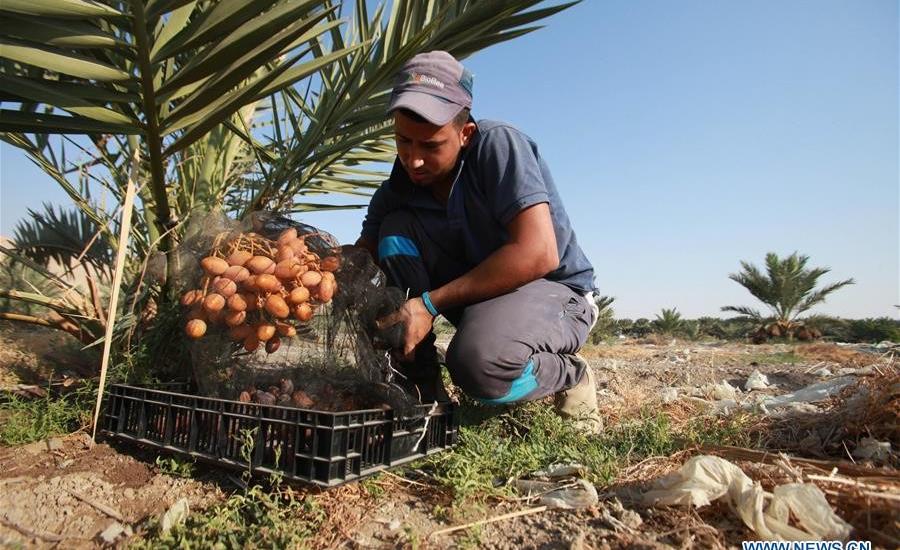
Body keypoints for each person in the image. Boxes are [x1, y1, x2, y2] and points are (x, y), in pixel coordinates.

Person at [354, 51, 602, 432]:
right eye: (403, 141)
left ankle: (569, 374)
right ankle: (423, 382)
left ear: (464, 133)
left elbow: (539, 253)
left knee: (478, 366)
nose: (413, 160)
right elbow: (361, 256)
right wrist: (298, 265)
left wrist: (428, 303)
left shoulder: (498, 146)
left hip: (555, 293)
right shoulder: (400, 186)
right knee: (394, 232)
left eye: (431, 146)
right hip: (478, 302)